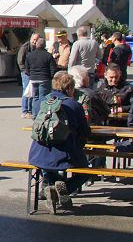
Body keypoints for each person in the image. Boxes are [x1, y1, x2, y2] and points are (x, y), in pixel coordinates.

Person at [28, 71, 92, 213]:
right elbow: (85, 131)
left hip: (37, 154)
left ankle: (51, 188)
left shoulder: (40, 103)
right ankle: (59, 191)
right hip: (65, 155)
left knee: (49, 169)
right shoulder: (74, 105)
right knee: (86, 171)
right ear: (69, 88)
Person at [24, 37, 56, 117]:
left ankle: (35, 114)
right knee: (44, 97)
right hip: (44, 78)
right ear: (44, 45)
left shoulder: (29, 55)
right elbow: (53, 68)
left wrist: (31, 75)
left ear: (36, 45)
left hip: (33, 79)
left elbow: (26, 69)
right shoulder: (48, 56)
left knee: (35, 97)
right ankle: (42, 114)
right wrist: (51, 77)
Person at [18, 33, 38, 118]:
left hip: (33, 72)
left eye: (36, 40)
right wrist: (24, 71)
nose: (35, 41)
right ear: (31, 39)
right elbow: (20, 61)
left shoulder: (38, 47)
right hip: (26, 72)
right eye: (33, 39)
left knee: (32, 91)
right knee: (26, 90)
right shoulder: (25, 47)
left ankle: (30, 110)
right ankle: (24, 110)